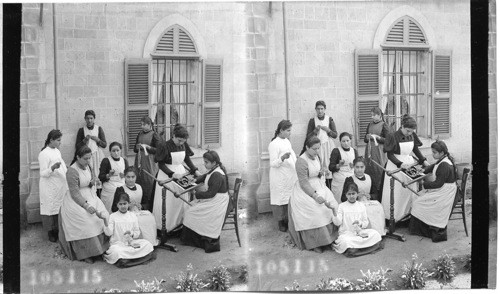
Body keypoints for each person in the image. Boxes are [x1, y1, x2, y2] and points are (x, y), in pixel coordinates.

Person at [58, 146, 109, 264]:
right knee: (87, 221)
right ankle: (85, 253)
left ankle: (100, 249)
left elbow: (89, 182)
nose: (88, 161)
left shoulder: (88, 166)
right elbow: (75, 193)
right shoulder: (72, 171)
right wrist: (86, 206)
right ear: (78, 157)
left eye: (89, 158)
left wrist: (92, 183)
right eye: (85, 159)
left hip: (90, 195)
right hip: (76, 200)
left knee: (102, 216)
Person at [288, 136, 339, 253]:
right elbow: (304, 183)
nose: (317, 151)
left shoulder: (317, 157)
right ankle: (315, 243)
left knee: (331, 205)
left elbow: (318, 172)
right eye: (314, 149)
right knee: (315, 211)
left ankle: (329, 239)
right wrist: (315, 196)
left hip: (318, 184)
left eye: (318, 149)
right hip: (306, 189)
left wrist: (322, 172)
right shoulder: (301, 161)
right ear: (307, 147)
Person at [152, 124, 201, 232]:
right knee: (169, 201)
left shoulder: (183, 144)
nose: (181, 143)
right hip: (167, 174)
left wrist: (195, 170)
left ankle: (179, 224)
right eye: (179, 140)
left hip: (180, 173)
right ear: (173, 136)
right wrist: (171, 174)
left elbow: (187, 159)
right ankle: (166, 227)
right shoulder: (164, 145)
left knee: (181, 200)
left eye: (183, 141)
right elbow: (161, 164)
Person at [381, 114, 429, 222]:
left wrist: (423, 160)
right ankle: (393, 218)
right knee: (397, 192)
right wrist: (400, 164)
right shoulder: (392, 136)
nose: (409, 133)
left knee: (409, 191)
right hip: (396, 165)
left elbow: (415, 149)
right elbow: (390, 155)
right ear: (402, 126)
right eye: (407, 131)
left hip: (409, 164)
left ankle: (407, 214)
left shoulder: (412, 134)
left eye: (411, 131)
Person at [181, 151, 230, 253]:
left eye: (206, 162)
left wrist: (196, 194)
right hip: (215, 198)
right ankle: (194, 236)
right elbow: (203, 177)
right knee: (190, 207)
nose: (204, 164)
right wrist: (191, 181)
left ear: (214, 163)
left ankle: (198, 239)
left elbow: (210, 193)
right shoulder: (213, 170)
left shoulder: (217, 174)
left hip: (218, 202)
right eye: (204, 162)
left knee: (191, 211)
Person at [409, 141, 457, 242]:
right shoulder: (442, 160)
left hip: (445, 192)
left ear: (442, 153)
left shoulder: (444, 164)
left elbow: (438, 184)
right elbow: (433, 167)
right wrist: (423, 170)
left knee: (418, 202)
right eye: (432, 152)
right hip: (443, 188)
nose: (433, 154)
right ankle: (421, 226)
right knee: (418, 197)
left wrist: (423, 183)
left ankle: (426, 230)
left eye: (434, 152)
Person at [103, 193, 155, 267]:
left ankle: (127, 259)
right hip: (118, 244)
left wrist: (131, 233)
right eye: (120, 204)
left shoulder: (133, 215)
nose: (123, 206)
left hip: (131, 243)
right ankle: (134, 258)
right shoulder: (113, 216)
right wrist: (105, 222)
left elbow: (137, 232)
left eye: (125, 203)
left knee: (148, 244)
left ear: (129, 204)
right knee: (117, 251)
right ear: (117, 205)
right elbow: (108, 233)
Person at [332, 183, 383, 257]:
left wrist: (359, 223)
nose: (351, 196)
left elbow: (366, 222)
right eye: (349, 194)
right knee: (346, 242)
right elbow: (337, 223)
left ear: (357, 194)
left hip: (360, 232)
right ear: (345, 195)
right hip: (347, 234)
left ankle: (357, 249)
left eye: (353, 193)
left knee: (376, 234)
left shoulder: (361, 205)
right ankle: (363, 248)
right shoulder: (341, 206)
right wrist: (335, 214)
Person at [112, 167, 157, 246]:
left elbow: (147, 203)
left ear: (136, 177)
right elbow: (114, 207)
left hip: (139, 212)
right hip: (126, 213)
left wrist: (142, 206)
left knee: (150, 218)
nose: (130, 179)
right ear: (124, 177)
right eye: (128, 177)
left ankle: (149, 243)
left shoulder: (140, 187)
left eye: (133, 177)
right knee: (139, 221)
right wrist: (127, 206)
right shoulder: (120, 189)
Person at [341, 157, 385, 236]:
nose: (359, 169)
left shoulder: (370, 178)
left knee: (378, 208)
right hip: (356, 203)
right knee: (366, 211)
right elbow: (343, 197)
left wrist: (370, 196)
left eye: (362, 167)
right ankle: (366, 232)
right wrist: (356, 196)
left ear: (365, 167)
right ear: (353, 167)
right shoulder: (350, 179)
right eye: (357, 167)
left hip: (368, 202)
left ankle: (377, 233)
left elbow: (376, 194)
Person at [38, 130, 69, 242]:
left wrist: (65, 168)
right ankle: (51, 232)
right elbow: (42, 173)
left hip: (59, 184)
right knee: (51, 208)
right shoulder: (44, 154)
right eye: (58, 140)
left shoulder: (56, 151)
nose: (60, 142)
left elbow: (61, 163)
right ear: (51, 140)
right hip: (49, 185)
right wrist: (52, 168)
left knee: (58, 207)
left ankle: (58, 230)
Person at [268, 120, 297, 232]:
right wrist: (282, 158)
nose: (290, 133)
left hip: (289, 175)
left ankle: (288, 220)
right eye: (288, 130)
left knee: (288, 197)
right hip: (279, 176)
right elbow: (273, 163)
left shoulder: (286, 141)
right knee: (280, 199)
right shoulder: (274, 144)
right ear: (281, 130)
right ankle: (281, 222)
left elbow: (292, 155)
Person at [300, 101, 338, 188]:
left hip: (328, 146)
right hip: (317, 147)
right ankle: (320, 186)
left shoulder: (329, 119)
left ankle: (329, 188)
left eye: (322, 109)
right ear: (315, 110)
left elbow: (335, 135)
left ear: (325, 109)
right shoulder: (312, 121)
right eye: (318, 109)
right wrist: (315, 131)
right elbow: (308, 137)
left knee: (328, 165)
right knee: (319, 165)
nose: (320, 111)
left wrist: (328, 130)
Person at [75, 110, 107, 195]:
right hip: (86, 157)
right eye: (87, 118)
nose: (89, 120)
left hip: (97, 156)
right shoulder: (82, 130)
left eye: (91, 118)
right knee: (88, 176)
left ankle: (98, 196)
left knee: (98, 174)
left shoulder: (98, 129)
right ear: (85, 119)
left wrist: (98, 140)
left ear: (94, 119)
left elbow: (104, 145)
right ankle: (89, 194)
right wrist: (85, 140)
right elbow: (77, 146)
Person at [134, 116, 161, 210]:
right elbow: (134, 149)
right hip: (139, 161)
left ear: (149, 125)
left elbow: (159, 150)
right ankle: (139, 204)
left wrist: (148, 147)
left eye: (143, 124)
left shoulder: (154, 135)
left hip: (150, 162)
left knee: (149, 181)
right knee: (139, 180)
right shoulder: (140, 134)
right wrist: (137, 147)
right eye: (141, 124)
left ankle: (150, 206)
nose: (141, 126)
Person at [363, 107, 390, 200]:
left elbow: (389, 141)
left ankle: (380, 193)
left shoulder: (384, 125)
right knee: (369, 169)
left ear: (379, 115)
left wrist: (378, 138)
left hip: (379, 152)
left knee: (379, 169)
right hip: (369, 151)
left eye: (374, 115)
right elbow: (365, 140)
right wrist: (367, 137)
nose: (372, 117)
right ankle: (370, 191)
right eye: (371, 115)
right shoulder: (369, 125)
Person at [99, 142, 129, 213]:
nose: (116, 153)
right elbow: (100, 177)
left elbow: (128, 175)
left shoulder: (124, 161)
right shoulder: (106, 161)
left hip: (121, 186)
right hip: (109, 186)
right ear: (110, 152)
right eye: (113, 151)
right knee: (108, 210)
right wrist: (108, 175)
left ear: (120, 150)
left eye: (117, 150)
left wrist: (124, 176)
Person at [329, 132, 358, 203]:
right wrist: (338, 165)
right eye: (343, 141)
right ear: (340, 142)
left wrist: (353, 166)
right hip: (339, 178)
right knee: (338, 200)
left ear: (350, 140)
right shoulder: (336, 151)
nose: (346, 143)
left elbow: (358, 165)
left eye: (347, 141)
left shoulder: (354, 151)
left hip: (351, 177)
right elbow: (330, 167)